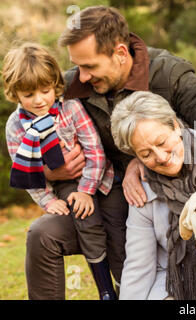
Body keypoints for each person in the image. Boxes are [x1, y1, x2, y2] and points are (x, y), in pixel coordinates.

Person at [23, 6, 196, 299]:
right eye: (77, 66)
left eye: (90, 66)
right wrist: (48, 170)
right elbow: (28, 133)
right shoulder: (73, 86)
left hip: (158, 194)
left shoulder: (168, 73)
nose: (80, 76)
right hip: (100, 197)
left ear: (120, 53)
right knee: (43, 235)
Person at [2, 43, 117, 300]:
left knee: (115, 227)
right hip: (65, 188)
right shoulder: (16, 127)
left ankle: (125, 288)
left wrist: (87, 190)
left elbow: (95, 151)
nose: (39, 100)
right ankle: (106, 292)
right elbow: (27, 172)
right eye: (29, 94)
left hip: (101, 178)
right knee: (85, 217)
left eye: (45, 91)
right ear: (15, 93)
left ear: (55, 85)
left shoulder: (70, 108)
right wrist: (48, 200)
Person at [110, 91, 196, 299]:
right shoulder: (142, 189)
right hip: (174, 278)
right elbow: (138, 266)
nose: (161, 157)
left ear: (175, 125)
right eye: (145, 154)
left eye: (161, 142)